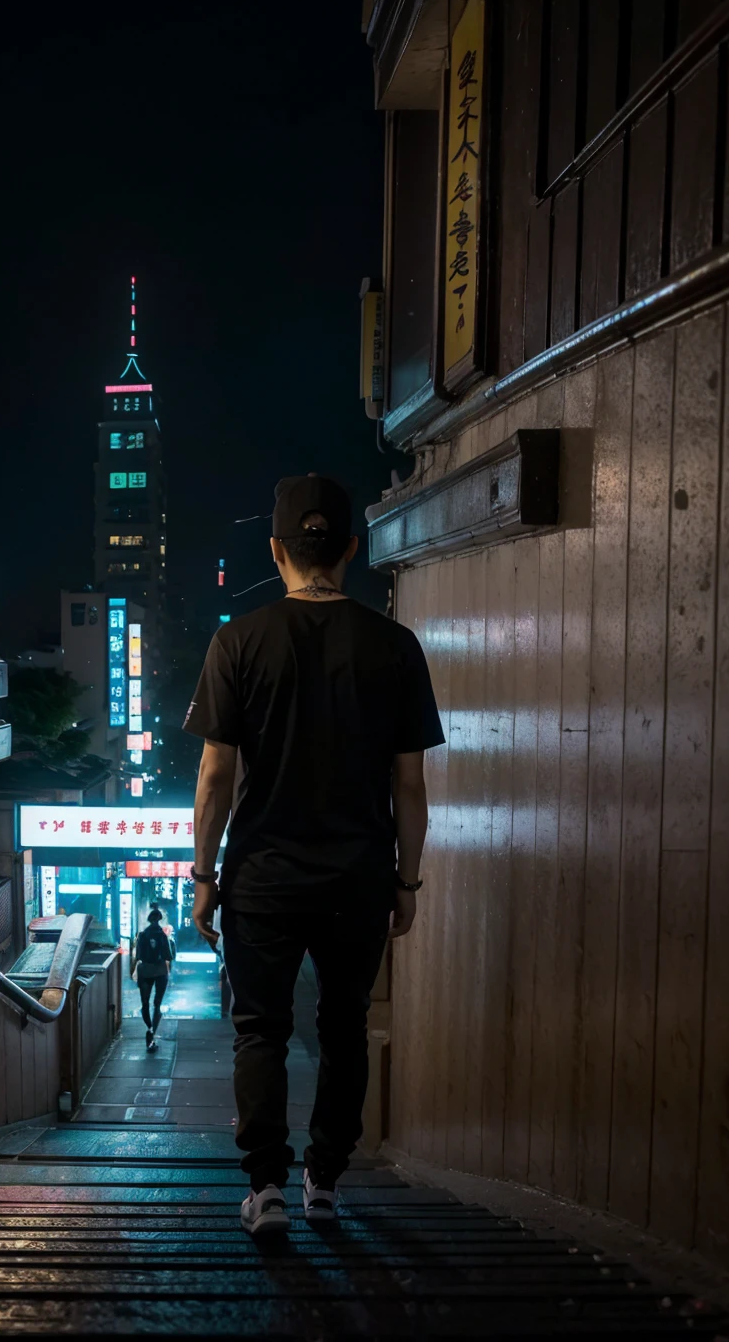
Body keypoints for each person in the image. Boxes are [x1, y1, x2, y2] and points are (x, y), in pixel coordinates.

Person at [184, 475, 442, 1236]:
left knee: (260, 1027)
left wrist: (203, 876)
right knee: (344, 1025)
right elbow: (410, 783)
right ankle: (324, 1180)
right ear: (352, 551)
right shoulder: (395, 646)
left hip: (261, 876)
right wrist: (407, 880)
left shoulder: (238, 640)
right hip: (358, 877)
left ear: (277, 549)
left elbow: (215, 775)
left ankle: (263, 1187)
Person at [133, 906, 176, 1049]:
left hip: (145, 970)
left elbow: (138, 955)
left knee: (144, 1003)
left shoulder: (143, 935)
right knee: (157, 1004)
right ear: (159, 920)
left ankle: (149, 1027)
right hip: (160, 970)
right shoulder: (163, 936)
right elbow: (169, 956)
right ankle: (152, 1033)